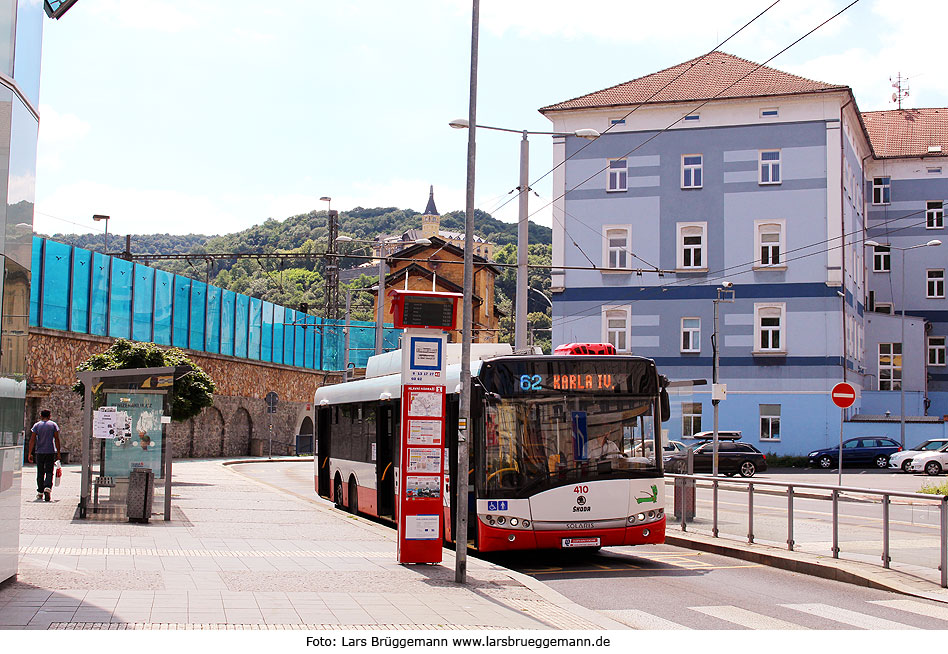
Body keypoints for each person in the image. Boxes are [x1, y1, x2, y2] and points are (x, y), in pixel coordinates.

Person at [28, 409, 61, 502]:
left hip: (39, 452)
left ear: (41, 416)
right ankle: (47, 488)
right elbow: (57, 439)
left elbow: (32, 440)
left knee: (40, 472)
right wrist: (58, 452)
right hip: (50, 451)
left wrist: (30, 453)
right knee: (49, 471)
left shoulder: (36, 426)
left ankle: (40, 491)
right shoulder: (53, 425)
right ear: (49, 416)